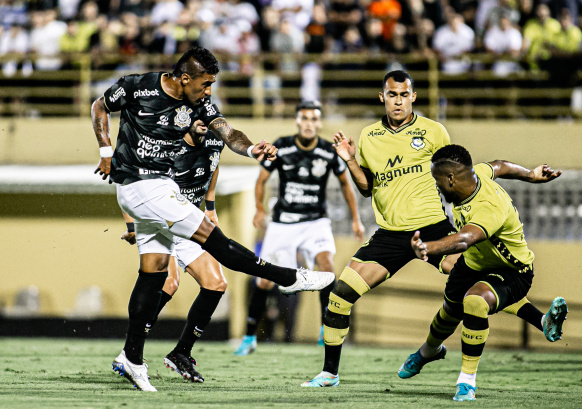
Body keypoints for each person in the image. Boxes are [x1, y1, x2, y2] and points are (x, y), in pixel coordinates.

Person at [91, 46, 335, 392]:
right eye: (205, 84)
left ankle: (131, 358)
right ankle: (288, 277)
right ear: (185, 78)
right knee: (216, 242)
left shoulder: (199, 105)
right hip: (140, 186)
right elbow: (99, 106)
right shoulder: (137, 86)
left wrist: (252, 150)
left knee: (155, 272)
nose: (209, 92)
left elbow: (229, 133)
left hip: (158, 188)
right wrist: (105, 150)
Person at [301, 70, 559, 388]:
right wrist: (351, 160)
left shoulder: (434, 131)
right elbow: (367, 188)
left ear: (413, 97)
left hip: (434, 228)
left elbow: (461, 172)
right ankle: (329, 373)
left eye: (403, 94)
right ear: (382, 97)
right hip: (389, 235)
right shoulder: (369, 136)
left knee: (473, 285)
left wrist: (521, 180)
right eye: (392, 95)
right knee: (340, 296)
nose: (398, 101)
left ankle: (541, 320)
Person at [398, 144, 568, 402]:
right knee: (449, 312)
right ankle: (428, 351)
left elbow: (465, 239)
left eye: (437, 181)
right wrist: (530, 175)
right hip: (474, 264)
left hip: (513, 270)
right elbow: (500, 165)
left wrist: (426, 247)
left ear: (451, 178)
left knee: (476, 301)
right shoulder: (476, 174)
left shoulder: (488, 206)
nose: (437, 187)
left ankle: (467, 382)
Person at [234, 100, 365, 356]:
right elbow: (261, 180)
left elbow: (346, 186)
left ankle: (325, 328)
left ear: (319, 123)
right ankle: (249, 336)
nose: (309, 124)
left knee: (326, 266)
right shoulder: (281, 146)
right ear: (297, 121)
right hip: (283, 223)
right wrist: (260, 208)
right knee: (263, 281)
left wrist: (356, 219)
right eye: (304, 119)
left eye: (314, 119)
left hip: (315, 222)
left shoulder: (329, 150)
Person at [120, 119, 225, 383]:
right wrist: (132, 224)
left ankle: (181, 353)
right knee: (169, 283)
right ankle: (131, 351)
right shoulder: (165, 140)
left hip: (190, 221)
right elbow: (128, 179)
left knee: (216, 284)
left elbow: (213, 166)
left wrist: (209, 205)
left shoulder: (215, 138)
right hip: (162, 221)